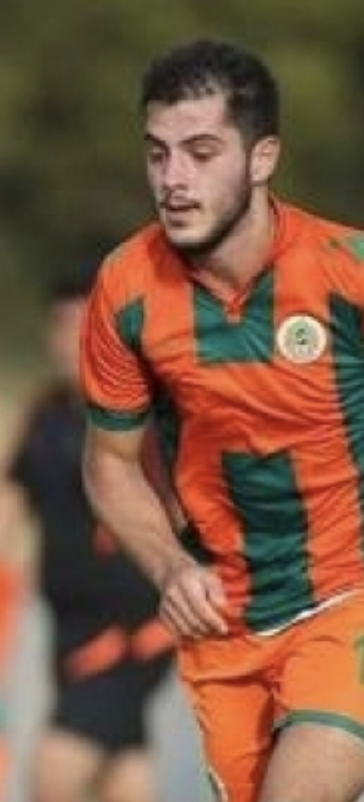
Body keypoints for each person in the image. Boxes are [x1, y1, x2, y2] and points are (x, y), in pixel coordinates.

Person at [80, 38, 364, 802]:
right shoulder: (126, 287)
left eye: (201, 153)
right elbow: (109, 463)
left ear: (262, 157)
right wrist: (170, 567)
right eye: (158, 154)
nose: (173, 179)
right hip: (226, 627)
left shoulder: (346, 269)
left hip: (350, 597)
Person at [0, 267, 175, 802]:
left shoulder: (150, 420)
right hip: (72, 630)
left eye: (83, 327)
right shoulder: (46, 417)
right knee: (122, 772)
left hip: (132, 633)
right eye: (60, 326)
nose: (68, 342)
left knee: (54, 772)